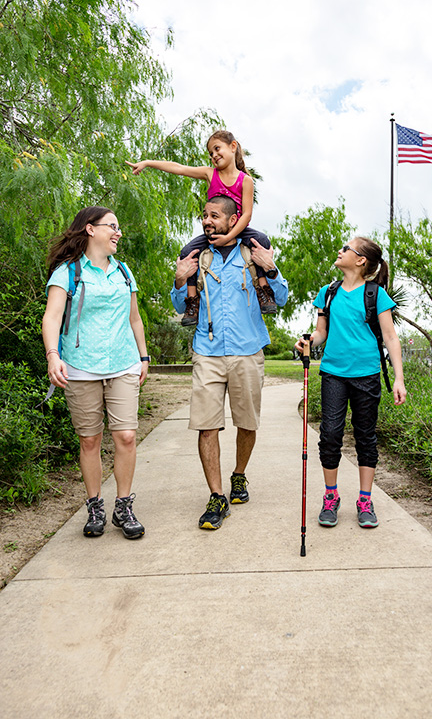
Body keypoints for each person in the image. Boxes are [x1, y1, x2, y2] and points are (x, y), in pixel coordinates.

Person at [171, 195, 288, 530]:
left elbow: (280, 299)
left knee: (246, 423)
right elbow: (182, 307)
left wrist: (271, 268)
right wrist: (180, 280)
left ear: (233, 217)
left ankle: (239, 475)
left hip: (247, 350)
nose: (207, 221)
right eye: (204, 216)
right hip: (207, 353)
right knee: (206, 425)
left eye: (214, 216)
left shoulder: (252, 251)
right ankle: (216, 495)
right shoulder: (196, 255)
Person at [42, 206, 150, 540]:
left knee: (127, 436)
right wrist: (52, 356)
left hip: (123, 363)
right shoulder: (68, 272)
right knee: (90, 440)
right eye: (112, 227)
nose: (118, 233)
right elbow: (52, 317)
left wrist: (144, 356)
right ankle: (94, 506)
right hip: (79, 365)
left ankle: (123, 506)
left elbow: (134, 318)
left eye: (118, 227)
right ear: (90, 229)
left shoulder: (123, 272)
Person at [295, 237, 406, 529]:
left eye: (346, 249)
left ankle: (365, 500)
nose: (340, 251)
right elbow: (322, 332)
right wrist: (308, 340)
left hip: (367, 374)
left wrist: (399, 378)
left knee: (365, 437)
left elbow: (390, 337)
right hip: (333, 373)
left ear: (360, 261)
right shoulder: (328, 293)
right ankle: (331, 496)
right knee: (330, 434)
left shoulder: (375, 294)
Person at [126, 129, 277, 326]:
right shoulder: (209, 174)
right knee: (188, 251)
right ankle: (192, 303)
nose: (214, 155)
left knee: (262, 241)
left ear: (233, 147)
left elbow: (247, 214)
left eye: (217, 149)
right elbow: (178, 168)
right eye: (210, 153)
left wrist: (229, 236)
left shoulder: (245, 180)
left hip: (238, 229)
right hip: (216, 231)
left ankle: (264, 291)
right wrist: (147, 163)